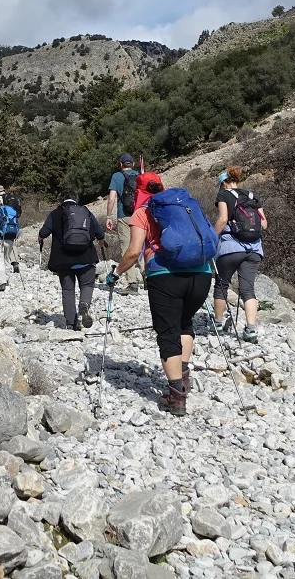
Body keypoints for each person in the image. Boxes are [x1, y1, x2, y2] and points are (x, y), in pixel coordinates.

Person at [107, 173, 212, 416]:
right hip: (201, 275)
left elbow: (133, 252)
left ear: (137, 192)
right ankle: (183, 377)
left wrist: (115, 274)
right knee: (185, 324)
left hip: (165, 277)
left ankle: (176, 397)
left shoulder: (142, 212)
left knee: (168, 332)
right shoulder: (184, 207)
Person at [212, 167, 267, 342]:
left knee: (221, 285)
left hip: (230, 247)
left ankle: (218, 324)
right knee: (248, 289)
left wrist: (211, 238)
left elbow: (222, 219)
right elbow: (264, 224)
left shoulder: (224, 195)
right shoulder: (252, 196)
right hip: (254, 250)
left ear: (223, 182)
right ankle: (250, 329)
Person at [38, 194, 106, 331]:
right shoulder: (85, 211)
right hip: (86, 258)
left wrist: (40, 238)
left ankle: (71, 323)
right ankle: (84, 304)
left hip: (63, 260)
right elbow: (99, 232)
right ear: (76, 200)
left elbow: (43, 232)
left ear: (61, 200)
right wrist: (101, 241)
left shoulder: (56, 213)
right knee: (87, 285)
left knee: (68, 290)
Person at [105, 154, 143, 293]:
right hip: (140, 215)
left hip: (124, 216)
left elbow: (111, 198)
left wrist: (109, 216)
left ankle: (132, 283)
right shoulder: (140, 175)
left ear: (121, 164)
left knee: (127, 248)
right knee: (142, 246)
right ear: (132, 164)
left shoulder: (116, 176)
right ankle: (148, 278)